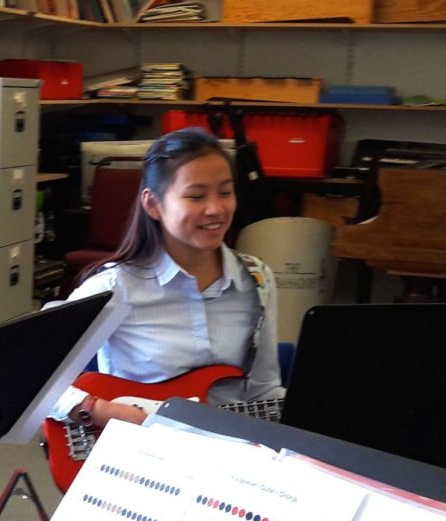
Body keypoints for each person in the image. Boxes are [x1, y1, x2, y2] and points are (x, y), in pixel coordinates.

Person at [60, 127, 282, 430]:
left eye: (226, 192)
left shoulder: (257, 279)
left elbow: (264, 390)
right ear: (153, 205)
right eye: (196, 196)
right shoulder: (115, 287)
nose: (216, 209)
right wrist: (96, 410)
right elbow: (28, 376)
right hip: (141, 454)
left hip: (229, 451)